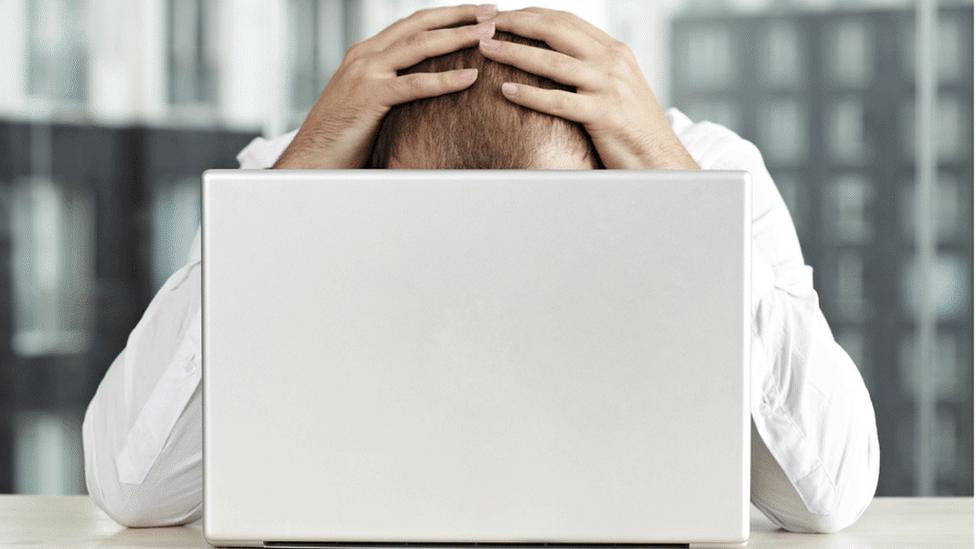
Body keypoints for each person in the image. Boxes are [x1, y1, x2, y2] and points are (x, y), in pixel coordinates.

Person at [82, 4, 879, 533]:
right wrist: (296, 185)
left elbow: (829, 494)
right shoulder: (292, 178)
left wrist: (677, 194)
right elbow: (134, 486)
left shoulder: (703, 171)